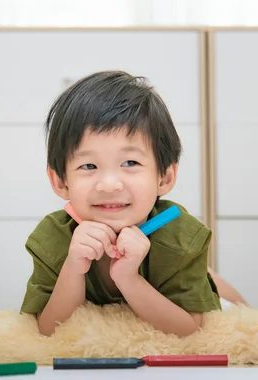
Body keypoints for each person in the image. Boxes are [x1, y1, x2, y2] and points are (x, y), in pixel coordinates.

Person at [20, 70, 246, 337]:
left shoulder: (182, 238)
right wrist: (73, 267)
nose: (109, 184)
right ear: (60, 181)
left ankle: (209, 277)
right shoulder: (52, 238)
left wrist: (129, 279)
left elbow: (191, 330)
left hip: (178, 270)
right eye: (88, 165)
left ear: (165, 177)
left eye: (130, 163)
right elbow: (47, 331)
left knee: (237, 309)